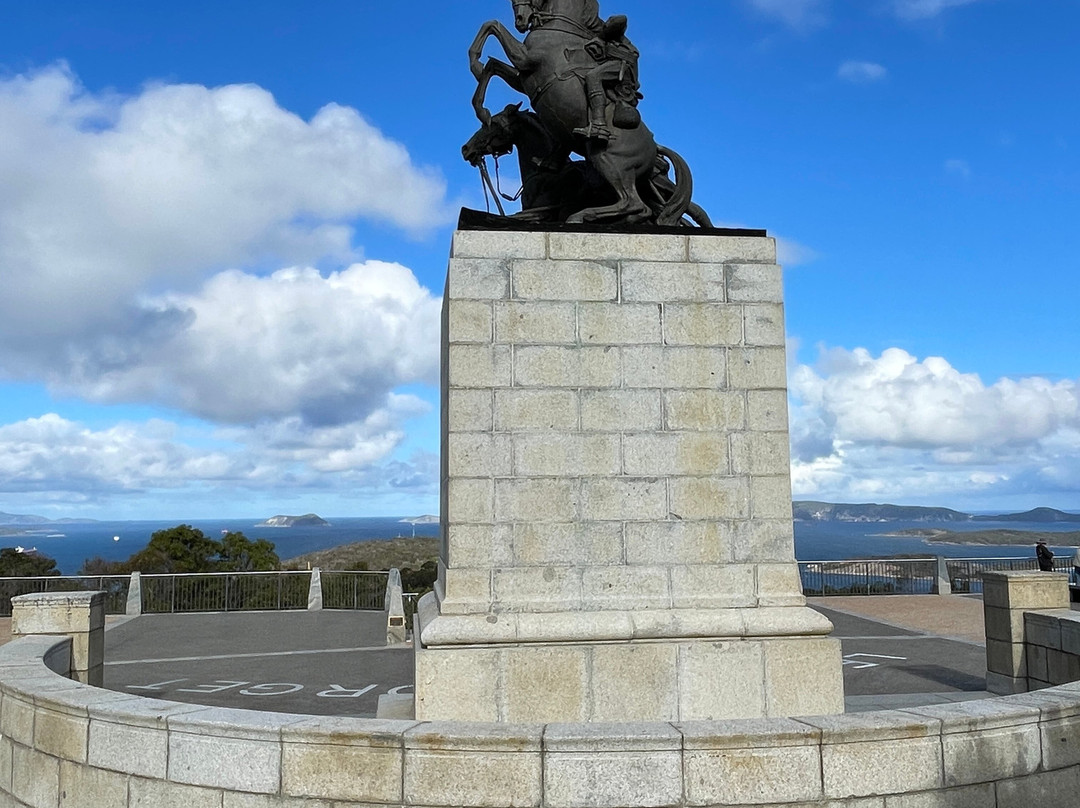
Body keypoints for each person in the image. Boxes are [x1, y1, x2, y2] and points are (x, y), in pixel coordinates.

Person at [572, 15, 642, 143]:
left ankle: (599, 125)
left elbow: (621, 19)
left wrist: (601, 34)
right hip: (614, 63)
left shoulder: (611, 33)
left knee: (593, 76)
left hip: (623, 65)